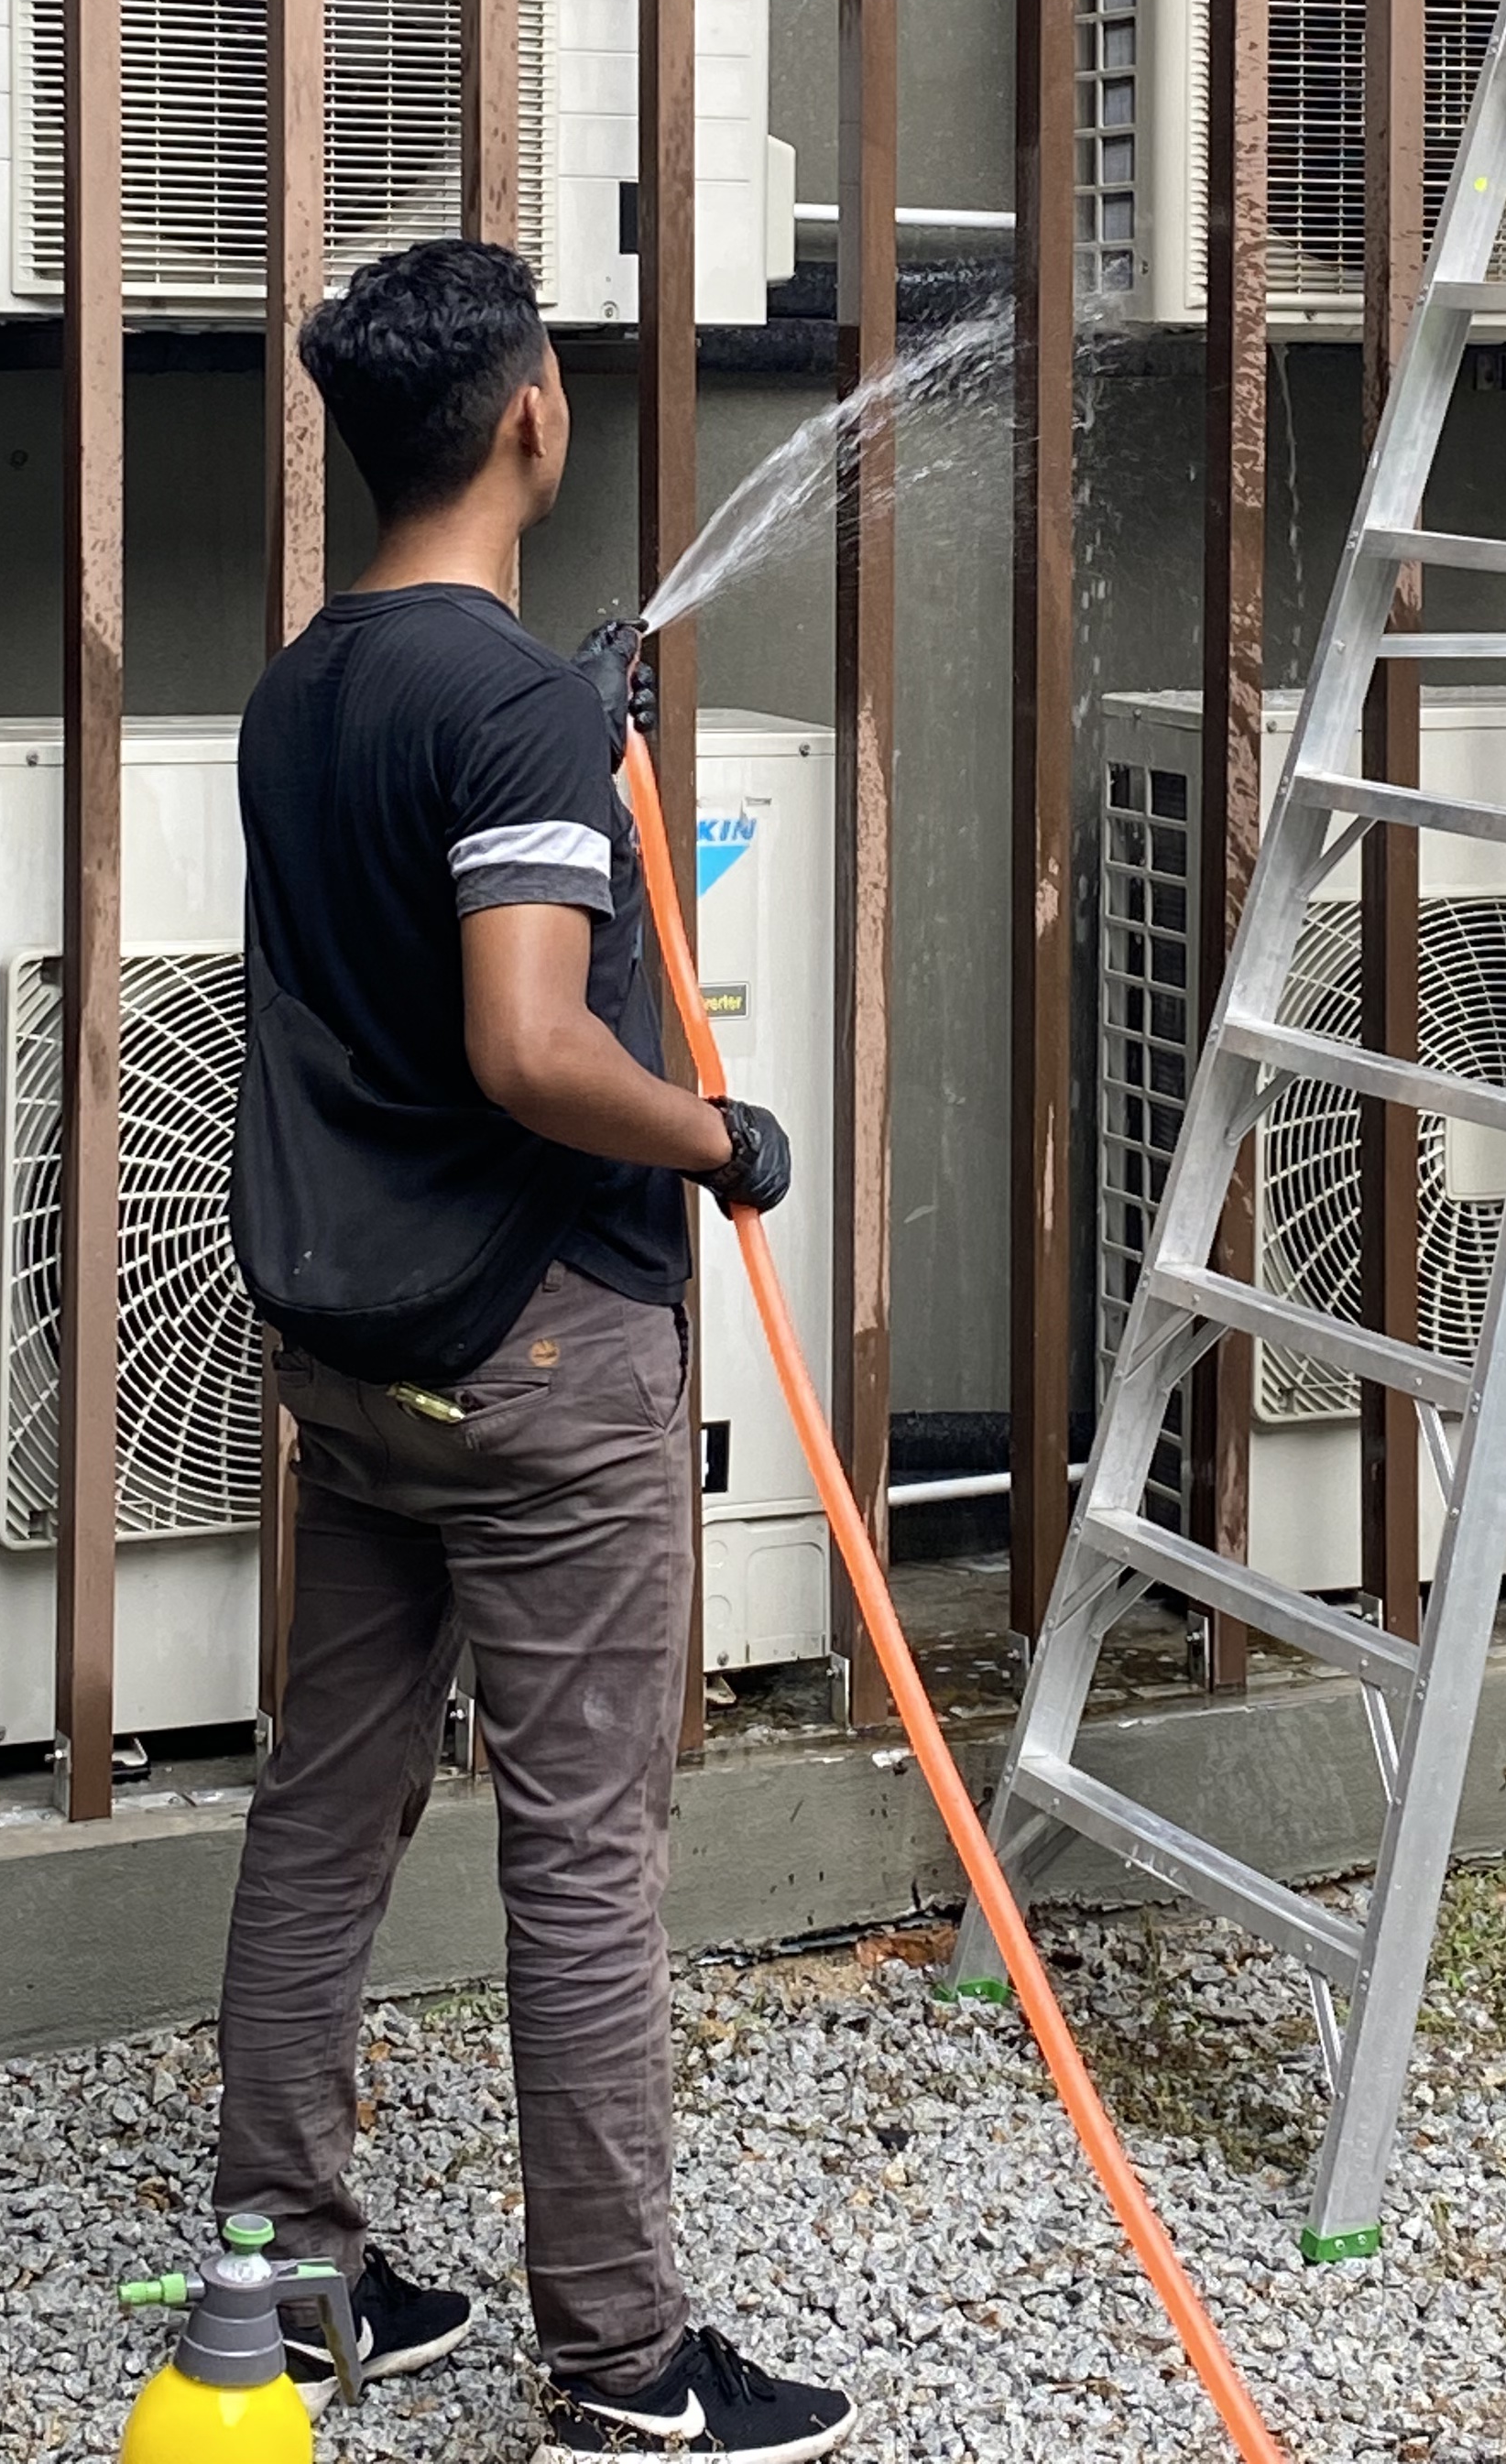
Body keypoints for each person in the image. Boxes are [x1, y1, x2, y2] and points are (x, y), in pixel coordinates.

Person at [212, 239, 857, 2462]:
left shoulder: (304, 689)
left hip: (352, 1349)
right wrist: (722, 1136)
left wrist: (580, 750)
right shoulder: (511, 713)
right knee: (585, 1848)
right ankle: (624, 2365)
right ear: (527, 418)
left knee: (327, 1802)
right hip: (539, 1364)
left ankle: (287, 2285)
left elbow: (397, 943)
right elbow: (521, 1043)